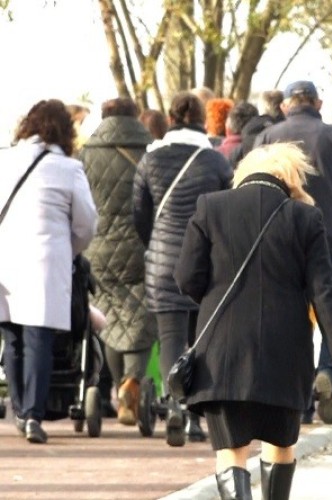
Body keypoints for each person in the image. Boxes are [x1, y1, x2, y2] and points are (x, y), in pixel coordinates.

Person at [175, 143, 332, 500]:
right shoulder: (305, 217)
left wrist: (217, 297)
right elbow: (325, 291)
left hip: (222, 351)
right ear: (292, 177)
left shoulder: (211, 207)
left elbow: (186, 278)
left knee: (231, 450)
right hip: (285, 352)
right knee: (279, 443)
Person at [254, 79, 332, 425]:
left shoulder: (267, 138)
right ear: (318, 104)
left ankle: (298, 395)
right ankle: (326, 370)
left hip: (277, 238)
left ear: (285, 106)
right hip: (331, 236)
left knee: (289, 314)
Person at [133, 91, 233, 446]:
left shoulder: (150, 160)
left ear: (171, 118)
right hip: (206, 263)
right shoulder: (216, 162)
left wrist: (156, 246)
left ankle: (174, 405)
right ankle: (194, 418)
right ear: (201, 120)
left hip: (162, 261)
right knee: (202, 341)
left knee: (171, 338)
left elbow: (140, 217)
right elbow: (227, 215)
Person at [0, 99, 98, 444]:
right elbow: (86, 225)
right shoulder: (68, 168)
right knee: (38, 339)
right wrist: (66, 250)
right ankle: (33, 416)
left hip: (5, 260)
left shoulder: (4, 159)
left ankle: (19, 408)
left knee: (11, 337)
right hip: (45, 260)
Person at [80, 97, 155, 426]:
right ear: (136, 117)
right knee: (141, 315)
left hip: (99, 249)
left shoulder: (87, 154)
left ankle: (116, 387)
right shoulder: (151, 150)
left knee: (109, 317)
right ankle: (132, 382)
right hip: (143, 245)